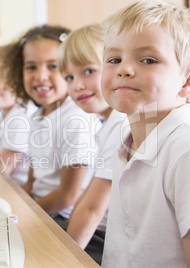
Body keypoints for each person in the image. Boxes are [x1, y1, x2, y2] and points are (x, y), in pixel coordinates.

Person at [100, 1, 190, 267]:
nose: (124, 69)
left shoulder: (189, 150)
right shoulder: (125, 140)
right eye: (114, 59)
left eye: (148, 60)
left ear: (188, 81)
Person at [4, 25, 101, 229]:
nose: (40, 76)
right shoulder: (37, 116)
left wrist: (24, 219)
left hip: (65, 220)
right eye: (31, 67)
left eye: (52, 66)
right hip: (42, 211)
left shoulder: (76, 118)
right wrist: (14, 213)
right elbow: (32, 181)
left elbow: (68, 196)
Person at [56, 23, 127, 265]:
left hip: (110, 238)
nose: (77, 85)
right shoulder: (107, 123)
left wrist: (60, 260)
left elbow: (92, 210)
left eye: (88, 71)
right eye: (69, 77)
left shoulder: (122, 124)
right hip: (102, 233)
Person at [0, 46, 38, 186]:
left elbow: (2, 169)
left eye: (0, 79)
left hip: (21, 193)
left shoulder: (20, 117)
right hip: (10, 187)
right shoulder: (5, 115)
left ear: (19, 80)